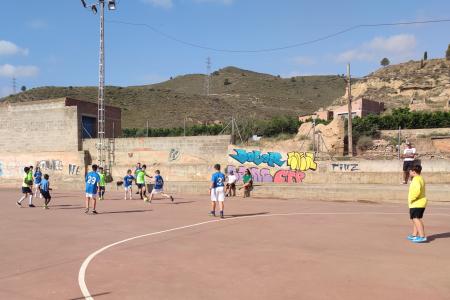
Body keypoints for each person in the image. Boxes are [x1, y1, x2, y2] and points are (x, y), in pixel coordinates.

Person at [407, 165, 428, 243]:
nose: (409, 172)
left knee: (416, 218)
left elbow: (416, 191)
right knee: (415, 219)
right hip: (418, 203)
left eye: (410, 171)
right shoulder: (420, 178)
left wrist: (412, 199)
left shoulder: (416, 179)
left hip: (417, 203)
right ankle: (414, 235)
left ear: (413, 172)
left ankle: (422, 236)